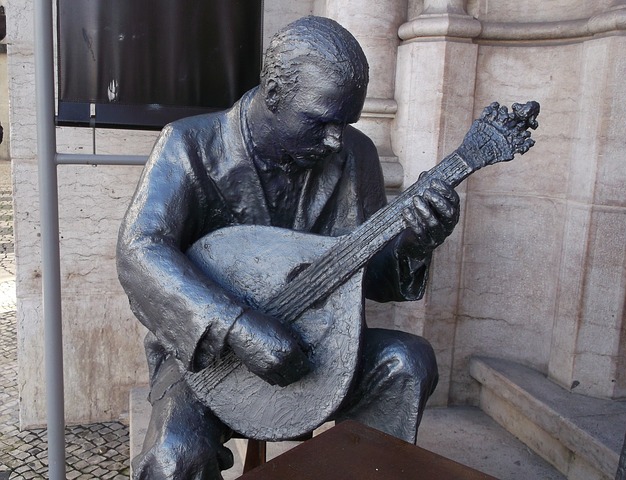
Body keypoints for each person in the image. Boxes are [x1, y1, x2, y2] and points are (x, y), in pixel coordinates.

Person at [117, 16, 459, 480]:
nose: (336, 139)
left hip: (322, 349)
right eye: (320, 122)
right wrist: (237, 327)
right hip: (208, 363)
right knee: (175, 457)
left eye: (346, 122)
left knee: (407, 362)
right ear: (274, 94)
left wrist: (417, 240)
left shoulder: (353, 154)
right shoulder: (189, 146)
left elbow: (370, 274)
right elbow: (140, 249)